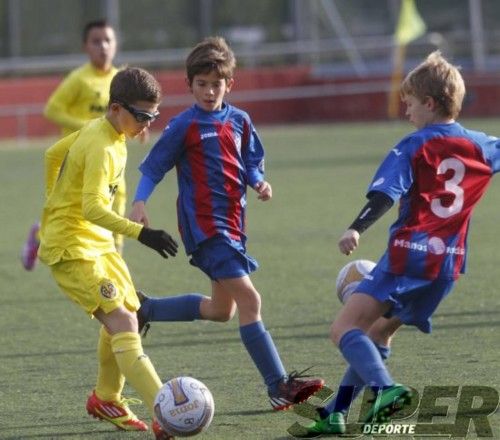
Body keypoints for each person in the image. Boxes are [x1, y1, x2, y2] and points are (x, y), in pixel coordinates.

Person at [304, 50, 500, 435]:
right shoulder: (483, 144)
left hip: (408, 257)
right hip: (448, 268)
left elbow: (384, 195)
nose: (405, 109)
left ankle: (386, 389)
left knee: (343, 330)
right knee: (378, 331)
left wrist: (356, 228)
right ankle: (336, 413)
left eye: (409, 103)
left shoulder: (413, 145)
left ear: (429, 103)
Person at [129, 36, 324, 411]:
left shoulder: (240, 121)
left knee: (223, 310)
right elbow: (154, 166)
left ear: (228, 85)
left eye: (216, 84)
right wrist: (139, 201)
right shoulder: (184, 125)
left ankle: (146, 310)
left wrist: (259, 181)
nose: (208, 91)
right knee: (251, 299)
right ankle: (277, 385)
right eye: (201, 84)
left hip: (233, 228)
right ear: (189, 86)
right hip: (206, 229)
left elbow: (250, 161)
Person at [38, 67, 178, 440]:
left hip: (96, 243)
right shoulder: (101, 145)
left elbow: (52, 155)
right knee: (123, 322)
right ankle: (164, 414)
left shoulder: (107, 132)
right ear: (116, 108)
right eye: (142, 115)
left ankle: (106, 398)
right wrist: (141, 234)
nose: (147, 124)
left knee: (128, 312)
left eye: (153, 116)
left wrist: (53, 201)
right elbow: (92, 209)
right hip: (74, 248)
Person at [21, 19, 126, 271]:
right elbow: (52, 109)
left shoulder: (121, 80)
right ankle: (39, 237)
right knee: (71, 215)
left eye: (108, 40)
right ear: (85, 47)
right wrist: (87, 127)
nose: (103, 46)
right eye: (96, 41)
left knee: (118, 194)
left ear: (115, 45)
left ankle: (117, 254)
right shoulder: (78, 79)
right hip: (78, 159)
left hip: (109, 156)